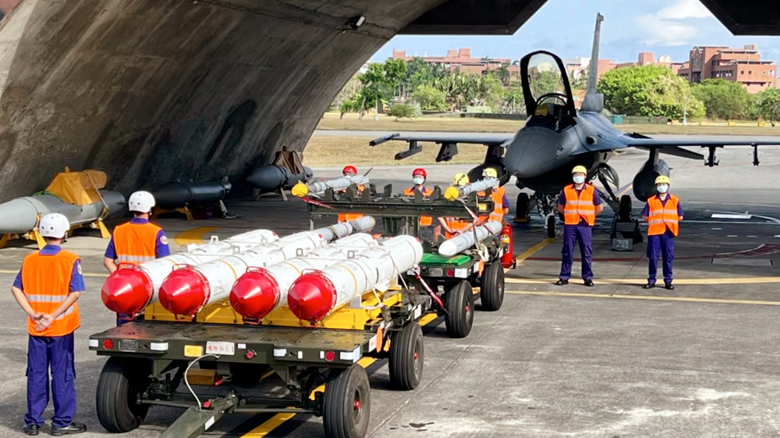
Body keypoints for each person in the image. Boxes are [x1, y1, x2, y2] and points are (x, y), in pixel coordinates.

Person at [12, 213, 87, 436]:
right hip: (61, 328)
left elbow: (16, 288)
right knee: (62, 374)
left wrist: (33, 313)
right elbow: (75, 293)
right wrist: (52, 316)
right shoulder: (70, 260)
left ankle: (33, 422)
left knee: (36, 374)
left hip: (36, 328)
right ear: (64, 232)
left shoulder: (29, 260)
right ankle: (61, 422)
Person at [104, 191, 170, 325]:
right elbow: (165, 264)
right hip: (148, 289)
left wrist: (121, 279)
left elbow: (108, 261)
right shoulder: (156, 232)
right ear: (150, 209)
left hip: (125, 289)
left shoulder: (119, 230)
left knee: (124, 328)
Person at [556, 165, 604, 287]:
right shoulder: (566, 190)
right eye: (576, 175)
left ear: (585, 176)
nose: (578, 177)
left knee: (586, 251)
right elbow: (560, 207)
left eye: (580, 175)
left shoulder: (591, 190)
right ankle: (564, 276)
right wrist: (570, 215)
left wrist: (589, 216)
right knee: (567, 251)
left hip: (585, 225)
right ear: (573, 177)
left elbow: (599, 207)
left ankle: (587, 277)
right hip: (571, 224)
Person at [641, 175, 683, 290]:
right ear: (656, 187)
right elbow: (645, 216)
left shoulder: (675, 200)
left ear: (668, 186)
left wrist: (669, 222)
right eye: (659, 185)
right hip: (654, 232)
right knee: (653, 257)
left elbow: (680, 216)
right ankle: (651, 279)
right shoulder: (651, 201)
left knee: (668, 256)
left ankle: (668, 280)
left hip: (668, 232)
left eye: (664, 185)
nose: (662, 187)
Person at [439, 173, 472, 239]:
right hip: (451, 236)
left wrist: (463, 230)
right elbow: (439, 215)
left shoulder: (470, 201)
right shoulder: (448, 200)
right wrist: (448, 229)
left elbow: (474, 219)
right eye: (457, 187)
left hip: (466, 236)